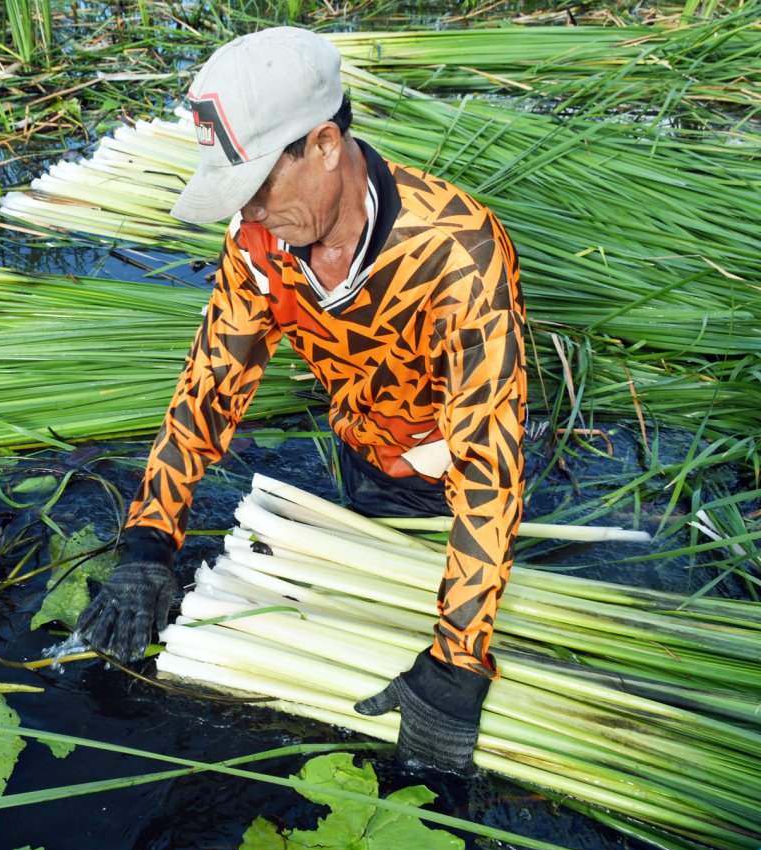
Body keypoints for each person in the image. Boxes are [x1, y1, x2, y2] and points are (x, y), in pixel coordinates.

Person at [75, 26, 526, 774]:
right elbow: (211, 386)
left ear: (322, 144)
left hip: (453, 483)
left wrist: (457, 662)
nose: (246, 215)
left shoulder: (457, 252)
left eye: (256, 187)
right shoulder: (260, 247)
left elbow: (489, 460)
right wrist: (150, 538)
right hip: (363, 461)